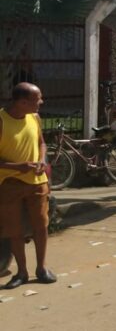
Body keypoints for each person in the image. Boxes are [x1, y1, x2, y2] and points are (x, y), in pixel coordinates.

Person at [0, 82, 55, 289]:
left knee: (41, 226)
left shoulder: (34, 117)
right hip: (9, 183)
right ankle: (21, 272)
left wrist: (42, 160)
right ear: (22, 102)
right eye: (37, 99)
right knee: (15, 230)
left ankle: (41, 268)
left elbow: (41, 142)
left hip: (37, 182)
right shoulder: (2, 120)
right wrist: (18, 166)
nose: (41, 102)